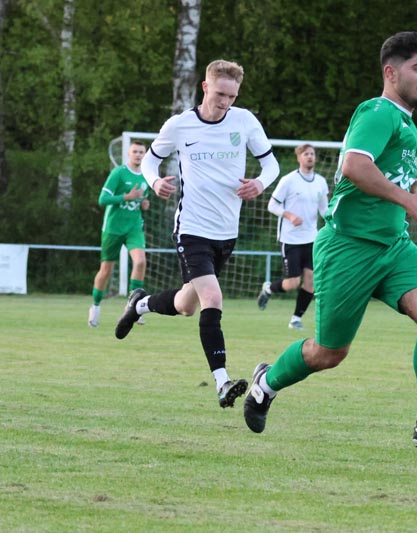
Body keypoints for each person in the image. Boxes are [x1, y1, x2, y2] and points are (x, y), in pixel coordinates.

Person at [243, 31, 417, 452]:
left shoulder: (406, 125)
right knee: (328, 353)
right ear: (391, 73)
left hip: (394, 247)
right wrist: (404, 199)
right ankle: (266, 383)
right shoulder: (377, 112)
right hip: (348, 248)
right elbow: (354, 166)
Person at [114, 59, 280, 409]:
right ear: (205, 87)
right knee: (213, 298)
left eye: (232, 96)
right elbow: (150, 161)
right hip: (191, 228)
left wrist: (260, 183)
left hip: (226, 231)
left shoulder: (244, 121)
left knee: (186, 305)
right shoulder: (180, 125)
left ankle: (140, 303)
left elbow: (271, 164)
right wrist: (154, 181)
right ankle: (222, 383)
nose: (226, 102)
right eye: (220, 94)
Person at [257, 143, 329, 330]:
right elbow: (272, 205)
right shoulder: (288, 180)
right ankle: (268, 289)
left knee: (311, 280)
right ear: (299, 158)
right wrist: (289, 215)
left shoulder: (321, 182)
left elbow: (324, 209)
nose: (310, 157)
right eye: (306, 154)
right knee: (292, 283)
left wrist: (334, 221)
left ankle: (296, 319)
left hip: (311, 239)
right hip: (291, 240)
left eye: (312, 154)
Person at [88, 141, 150, 328]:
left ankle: (134, 307)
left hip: (133, 227)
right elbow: (102, 199)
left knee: (140, 262)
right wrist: (126, 197)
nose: (138, 155)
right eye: (135, 151)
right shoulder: (118, 173)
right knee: (106, 270)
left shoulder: (147, 175)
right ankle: (95, 307)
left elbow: (142, 199)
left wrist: (143, 204)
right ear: (128, 154)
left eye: (141, 152)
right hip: (113, 228)